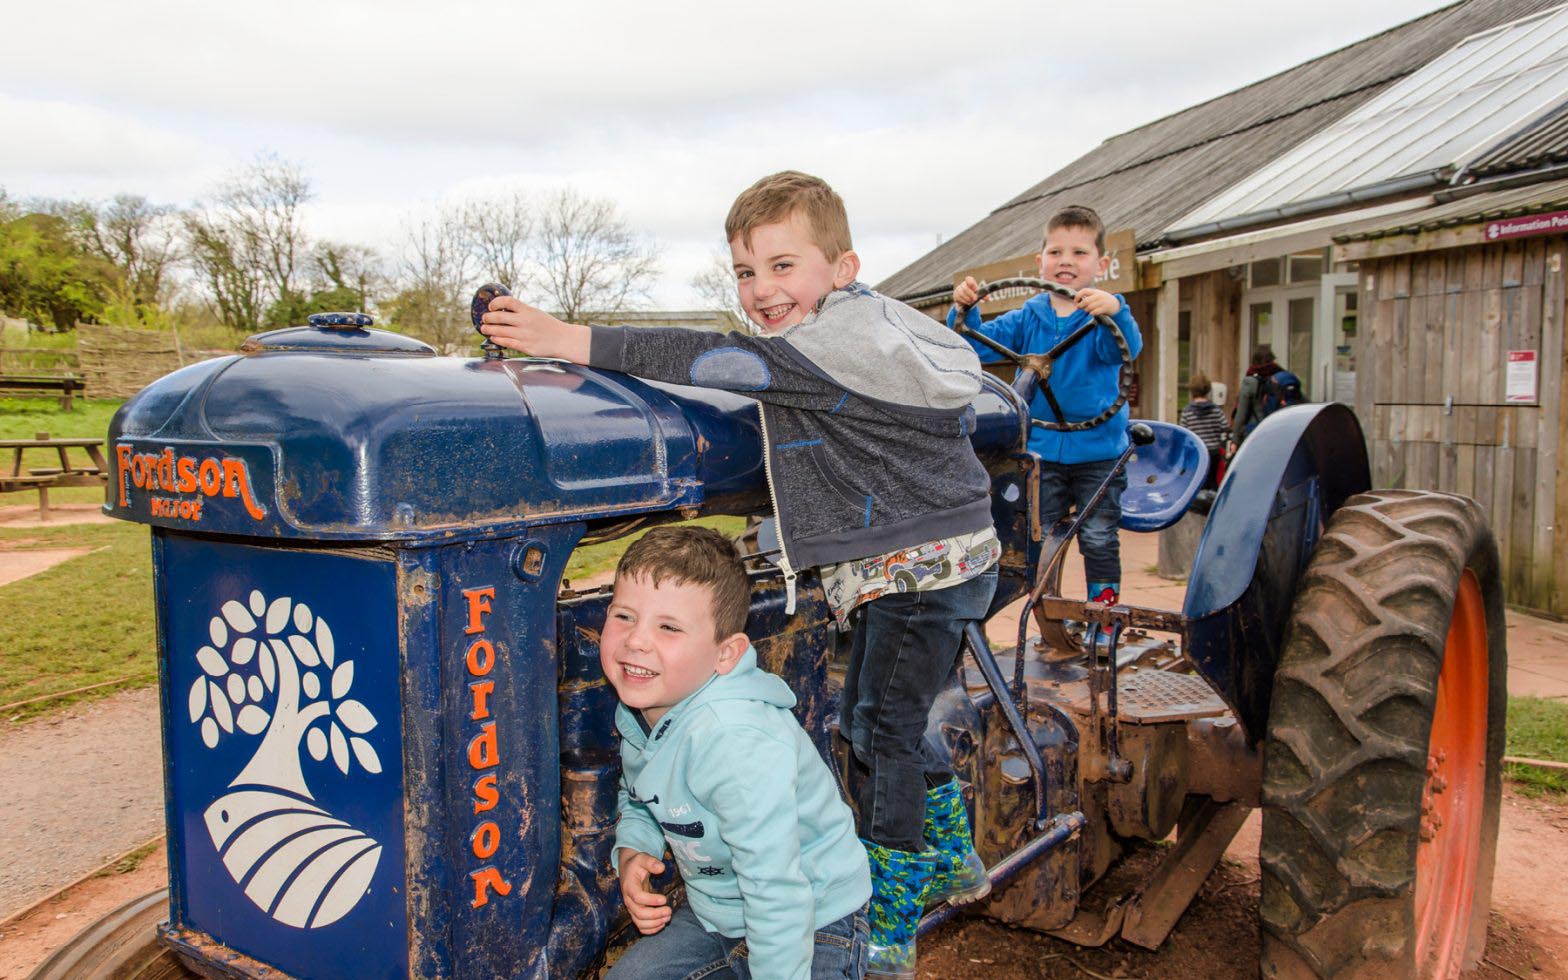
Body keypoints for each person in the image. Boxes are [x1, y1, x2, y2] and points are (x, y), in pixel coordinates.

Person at [481, 171, 1000, 980]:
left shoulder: (826, 348)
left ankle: (890, 916)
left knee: (876, 730)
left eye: (783, 266)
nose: (761, 291)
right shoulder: (879, 330)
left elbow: (707, 357)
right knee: (876, 714)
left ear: (845, 266)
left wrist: (570, 341)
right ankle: (955, 851)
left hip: (919, 569)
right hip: (940, 554)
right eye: (745, 273)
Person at [599, 525, 869, 980]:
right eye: (624, 616)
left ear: (726, 654)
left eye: (668, 627)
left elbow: (777, 891)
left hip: (812, 916)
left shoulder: (733, 740)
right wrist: (632, 851)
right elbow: (640, 794)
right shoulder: (640, 713)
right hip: (719, 915)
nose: (636, 640)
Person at [949, 204, 1144, 614]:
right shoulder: (1028, 318)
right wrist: (965, 309)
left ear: (1101, 264)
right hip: (1042, 451)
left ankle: (1103, 618)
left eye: (1079, 253)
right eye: (1056, 253)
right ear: (1040, 262)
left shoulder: (1103, 319)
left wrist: (1116, 311)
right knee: (1035, 538)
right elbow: (975, 344)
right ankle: (1044, 613)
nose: (1066, 262)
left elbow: (1122, 349)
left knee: (1098, 536)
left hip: (1099, 451)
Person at [1178, 372, 1229, 491]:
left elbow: (1183, 433)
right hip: (1214, 452)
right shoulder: (1216, 410)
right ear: (1208, 390)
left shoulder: (1187, 412)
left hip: (1197, 452)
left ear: (1192, 391)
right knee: (1213, 482)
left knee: (1197, 481)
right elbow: (1225, 427)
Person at [1232, 344, 1282, 442]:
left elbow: (1241, 413)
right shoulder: (1280, 377)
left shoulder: (1250, 380)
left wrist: (1235, 439)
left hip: (1255, 433)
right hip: (1277, 431)